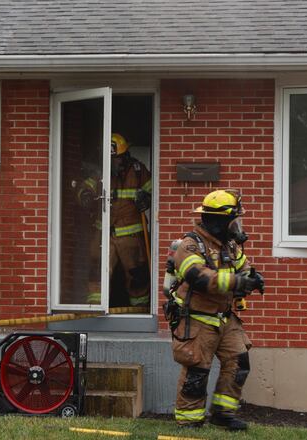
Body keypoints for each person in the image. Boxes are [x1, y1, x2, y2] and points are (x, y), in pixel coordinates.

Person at [164, 189, 264, 430]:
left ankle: (223, 413)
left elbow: (244, 267)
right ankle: (189, 422)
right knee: (197, 371)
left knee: (239, 362)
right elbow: (198, 277)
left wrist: (253, 277)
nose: (237, 226)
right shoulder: (190, 245)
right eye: (233, 220)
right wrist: (237, 283)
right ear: (220, 221)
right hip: (197, 320)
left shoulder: (227, 245)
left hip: (224, 319)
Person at [77, 133, 152, 307]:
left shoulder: (138, 172)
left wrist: (146, 199)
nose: (113, 164)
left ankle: (139, 311)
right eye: (109, 159)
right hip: (103, 236)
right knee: (97, 274)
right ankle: (95, 308)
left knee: (137, 276)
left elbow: (154, 191)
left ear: (125, 157)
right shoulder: (99, 173)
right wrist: (85, 196)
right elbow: (84, 188)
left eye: (116, 159)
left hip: (132, 238)